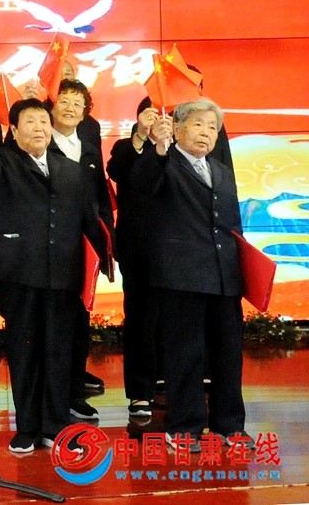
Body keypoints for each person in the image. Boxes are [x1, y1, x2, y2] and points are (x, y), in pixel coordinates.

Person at [0, 98, 105, 454]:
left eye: (43, 121)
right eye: (29, 121)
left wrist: (99, 264)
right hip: (19, 274)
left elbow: (88, 220)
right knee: (24, 351)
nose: (39, 128)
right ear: (14, 130)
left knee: (58, 353)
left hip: (63, 275)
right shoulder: (2, 161)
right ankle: (27, 428)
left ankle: (55, 427)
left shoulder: (72, 169)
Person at [131, 98, 249, 452]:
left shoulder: (221, 170)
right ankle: (184, 428)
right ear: (178, 128)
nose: (206, 133)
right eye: (198, 124)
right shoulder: (164, 163)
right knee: (186, 355)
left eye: (212, 127)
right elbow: (140, 185)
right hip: (181, 277)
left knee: (228, 354)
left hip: (224, 276)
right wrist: (158, 147)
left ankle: (230, 425)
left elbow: (232, 224)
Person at [48, 80, 114, 423]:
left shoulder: (88, 148)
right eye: (64, 100)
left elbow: (101, 197)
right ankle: (51, 400)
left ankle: (75, 394)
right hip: (48, 252)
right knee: (52, 330)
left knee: (79, 327)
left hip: (84, 251)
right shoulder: (39, 144)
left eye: (78, 103)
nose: (71, 107)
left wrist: (106, 242)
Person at [106, 101, 162, 418]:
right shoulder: (128, 147)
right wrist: (141, 135)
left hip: (177, 248)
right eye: (151, 114)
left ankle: (171, 380)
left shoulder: (184, 148)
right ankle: (140, 392)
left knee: (177, 319)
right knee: (140, 319)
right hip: (137, 248)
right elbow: (116, 171)